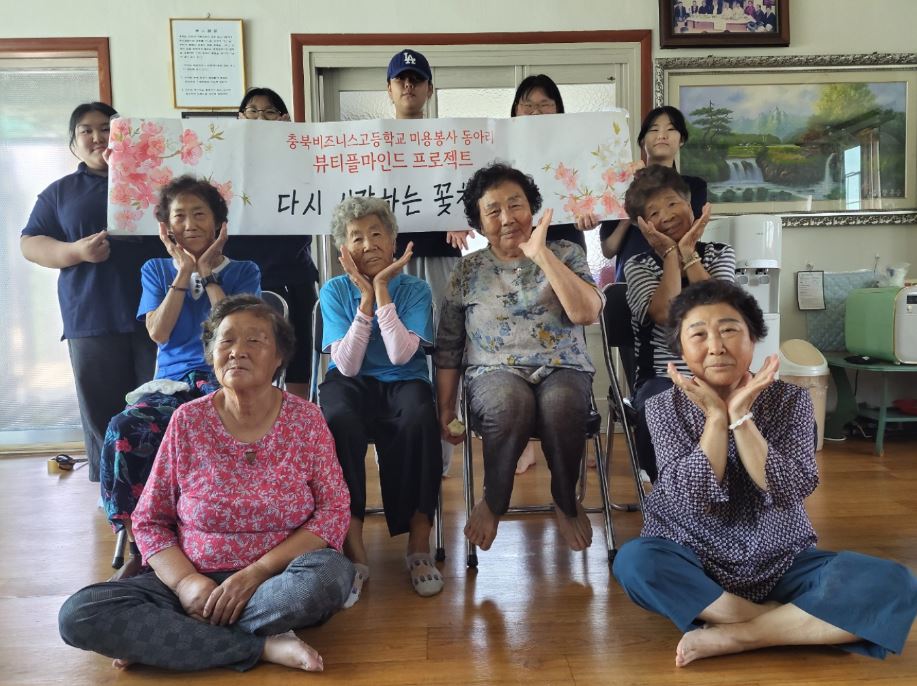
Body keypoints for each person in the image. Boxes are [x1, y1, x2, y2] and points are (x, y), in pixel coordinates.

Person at [613, 279, 917, 666]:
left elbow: (790, 488)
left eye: (729, 330)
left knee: (893, 582)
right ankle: (787, 622)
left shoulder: (792, 401)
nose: (716, 346)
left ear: (753, 338)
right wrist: (716, 419)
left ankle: (741, 634)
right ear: (680, 349)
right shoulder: (662, 407)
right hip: (693, 559)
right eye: (698, 334)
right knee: (635, 563)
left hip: (782, 562)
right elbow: (692, 498)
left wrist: (741, 417)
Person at [59, 294, 353, 673]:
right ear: (212, 355)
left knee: (330, 578)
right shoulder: (188, 420)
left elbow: (333, 511)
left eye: (254, 340)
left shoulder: (306, 420)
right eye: (226, 341)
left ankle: (169, 638)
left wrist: (257, 572)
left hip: (277, 579)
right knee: (79, 614)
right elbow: (149, 520)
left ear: (279, 356)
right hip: (193, 577)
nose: (237, 351)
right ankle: (260, 645)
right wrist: (185, 583)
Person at [435, 163, 603, 553]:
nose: (507, 218)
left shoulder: (566, 253)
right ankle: (495, 499)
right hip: (493, 371)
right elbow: (448, 347)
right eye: (493, 211)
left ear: (533, 208)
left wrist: (541, 255)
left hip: (563, 367)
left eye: (516, 205)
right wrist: (445, 409)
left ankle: (565, 498)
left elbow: (586, 313)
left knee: (562, 404)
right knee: (510, 403)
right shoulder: (467, 270)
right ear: (478, 223)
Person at [99, 175, 261, 579]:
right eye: (179, 216)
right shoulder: (156, 269)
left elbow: (236, 332)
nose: (190, 225)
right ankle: (140, 544)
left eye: (199, 214)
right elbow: (159, 333)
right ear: (166, 227)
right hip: (171, 385)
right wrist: (184, 272)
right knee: (124, 428)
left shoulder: (244, 271)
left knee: (211, 425)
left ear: (218, 222)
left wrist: (208, 275)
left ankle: (214, 538)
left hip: (226, 380)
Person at [20, 102, 164, 481]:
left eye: (107, 128)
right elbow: (30, 243)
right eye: (87, 130)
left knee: (160, 402)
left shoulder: (156, 182)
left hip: (158, 314)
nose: (99, 137)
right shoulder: (60, 192)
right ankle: (111, 490)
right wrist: (75, 252)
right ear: (74, 142)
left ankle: (159, 486)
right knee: (103, 410)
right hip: (91, 313)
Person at [318, 196, 443, 606]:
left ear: (393, 242)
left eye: (376, 234)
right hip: (349, 382)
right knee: (338, 420)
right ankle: (352, 545)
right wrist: (364, 299)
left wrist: (383, 289)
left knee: (419, 417)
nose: (368, 244)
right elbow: (348, 366)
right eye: (356, 237)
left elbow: (401, 356)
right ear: (343, 249)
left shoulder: (416, 289)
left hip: (403, 379)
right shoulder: (334, 290)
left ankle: (419, 542)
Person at [509, 73, 603, 473]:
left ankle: (570, 435)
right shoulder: (502, 149)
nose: (535, 111)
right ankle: (525, 442)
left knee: (568, 335)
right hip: (515, 250)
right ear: (514, 112)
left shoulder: (576, 148)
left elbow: (596, 195)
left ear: (559, 110)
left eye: (545, 103)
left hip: (565, 248)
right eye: (527, 104)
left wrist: (592, 215)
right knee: (519, 329)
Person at [385, 48, 471, 477]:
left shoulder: (450, 140)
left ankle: (440, 454)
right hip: (389, 262)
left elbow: (474, 193)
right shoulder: (370, 141)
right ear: (389, 89)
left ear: (429, 90)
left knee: (444, 346)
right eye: (401, 79)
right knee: (391, 347)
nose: (409, 85)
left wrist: (463, 215)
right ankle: (394, 447)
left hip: (440, 256)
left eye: (416, 79)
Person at [623, 165, 734, 482]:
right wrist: (671, 255)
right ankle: (671, 489)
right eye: (654, 212)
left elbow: (723, 311)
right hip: (662, 376)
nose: (667, 216)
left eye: (673, 203)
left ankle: (737, 490)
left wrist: (688, 253)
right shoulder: (639, 265)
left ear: (690, 205)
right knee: (659, 404)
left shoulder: (719, 254)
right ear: (644, 226)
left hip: (721, 371)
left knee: (771, 402)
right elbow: (666, 314)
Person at [223, 87, 319, 399]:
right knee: (245, 344)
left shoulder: (301, 158)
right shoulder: (224, 160)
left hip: (293, 269)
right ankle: (250, 410)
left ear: (282, 119)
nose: (259, 118)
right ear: (240, 117)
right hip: (240, 271)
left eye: (268, 112)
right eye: (252, 111)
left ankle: (297, 412)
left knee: (298, 346)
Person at [600, 105, 708, 283]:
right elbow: (608, 250)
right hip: (630, 282)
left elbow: (690, 236)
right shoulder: (620, 186)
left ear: (681, 140)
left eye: (671, 129)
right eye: (654, 129)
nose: (662, 135)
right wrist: (633, 199)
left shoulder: (694, 186)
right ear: (642, 141)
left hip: (679, 280)